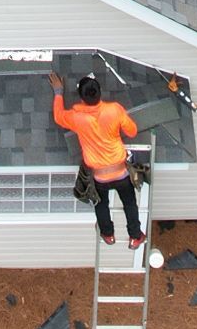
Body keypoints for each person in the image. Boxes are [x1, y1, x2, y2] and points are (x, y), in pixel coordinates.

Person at [50, 70, 145, 248]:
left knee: (101, 205)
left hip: (99, 176)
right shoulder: (114, 110)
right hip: (120, 172)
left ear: (81, 98)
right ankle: (135, 236)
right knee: (130, 203)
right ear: (99, 92)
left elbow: (58, 116)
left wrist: (58, 93)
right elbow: (132, 131)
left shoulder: (77, 118)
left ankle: (108, 235)